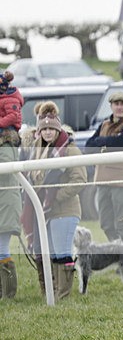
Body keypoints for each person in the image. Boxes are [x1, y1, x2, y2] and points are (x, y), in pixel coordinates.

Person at [25, 102, 87, 300]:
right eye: (45, 129)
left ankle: (63, 296)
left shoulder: (70, 149)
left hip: (64, 210)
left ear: (57, 129)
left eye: (52, 129)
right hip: (44, 210)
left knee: (61, 253)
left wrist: (55, 196)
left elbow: (80, 180)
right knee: (47, 253)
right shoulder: (36, 151)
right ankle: (50, 293)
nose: (48, 133)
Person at [84, 92, 123, 247]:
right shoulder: (104, 125)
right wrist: (108, 143)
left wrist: (102, 142)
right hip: (102, 181)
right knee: (106, 223)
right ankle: (119, 253)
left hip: (122, 182)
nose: (119, 107)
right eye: (116, 104)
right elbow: (89, 146)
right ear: (111, 106)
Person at [0, 124, 22, 299]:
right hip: (4, 202)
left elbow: (6, 168)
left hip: (6, 204)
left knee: (2, 249)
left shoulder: (6, 146)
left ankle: (9, 293)